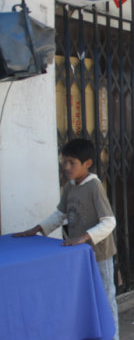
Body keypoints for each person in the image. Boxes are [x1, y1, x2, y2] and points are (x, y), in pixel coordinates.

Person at [13, 138, 119, 340]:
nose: (67, 167)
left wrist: (84, 237)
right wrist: (36, 229)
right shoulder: (70, 186)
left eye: (72, 163)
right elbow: (60, 215)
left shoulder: (94, 187)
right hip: (79, 255)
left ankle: (113, 336)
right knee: (84, 298)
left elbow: (109, 222)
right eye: (65, 162)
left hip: (99, 254)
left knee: (105, 297)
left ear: (87, 164)